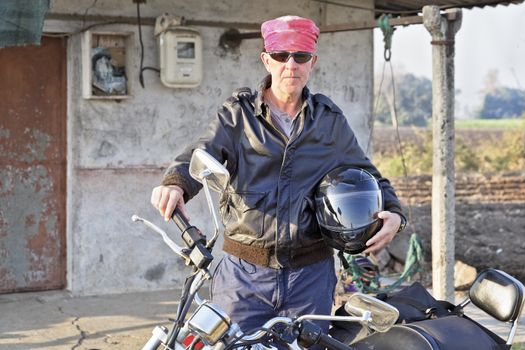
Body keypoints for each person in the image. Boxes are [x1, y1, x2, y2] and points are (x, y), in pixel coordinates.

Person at [151, 15, 406, 334]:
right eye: (281, 56)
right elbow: (202, 152)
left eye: (300, 56)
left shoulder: (329, 121)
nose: (291, 65)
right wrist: (176, 184)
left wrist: (395, 214)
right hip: (244, 276)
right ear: (266, 60)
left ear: (312, 61)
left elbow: (368, 174)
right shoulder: (239, 115)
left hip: (309, 276)